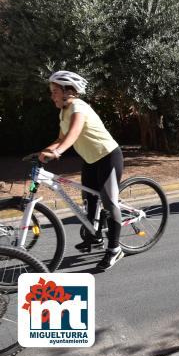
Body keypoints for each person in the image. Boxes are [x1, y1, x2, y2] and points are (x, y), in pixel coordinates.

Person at [39, 71, 125, 270]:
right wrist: (43, 151)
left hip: (108, 156)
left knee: (110, 205)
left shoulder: (79, 107)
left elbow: (73, 133)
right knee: (89, 200)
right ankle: (95, 237)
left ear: (67, 91)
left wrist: (58, 152)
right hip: (91, 160)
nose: (51, 95)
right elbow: (60, 138)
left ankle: (114, 249)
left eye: (54, 91)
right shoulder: (63, 112)